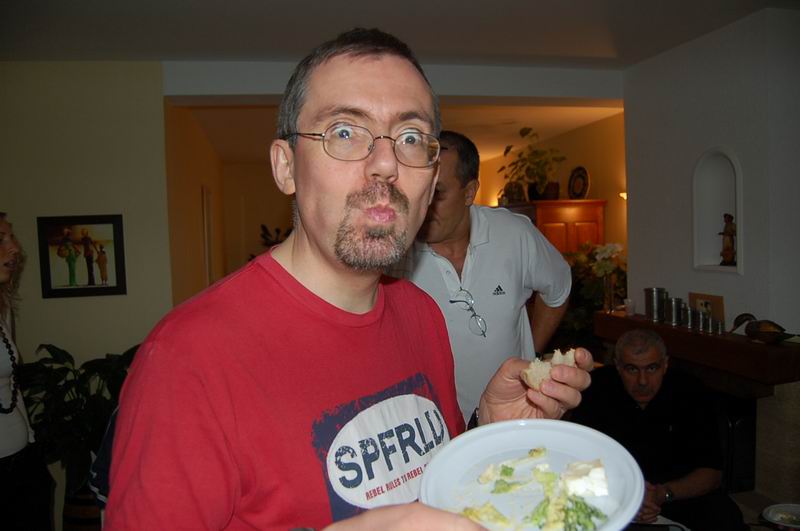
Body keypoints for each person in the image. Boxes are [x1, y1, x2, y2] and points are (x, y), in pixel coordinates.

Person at [105, 28, 593, 530]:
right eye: (344, 131)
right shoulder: (188, 358)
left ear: (430, 183)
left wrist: (488, 431)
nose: (385, 164)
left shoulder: (421, 313)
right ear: (286, 167)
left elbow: (432, 489)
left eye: (410, 138)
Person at [390, 130, 571, 422]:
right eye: (418, 189)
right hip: (432, 425)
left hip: (513, 416)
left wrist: (530, 355)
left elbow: (559, 289)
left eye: (437, 193)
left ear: (469, 192)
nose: (423, 204)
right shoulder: (393, 251)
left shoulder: (514, 234)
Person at [569, 329, 744, 530]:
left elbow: (711, 474)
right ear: (618, 366)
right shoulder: (595, 389)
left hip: (675, 493)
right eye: (632, 369)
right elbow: (577, 461)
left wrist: (663, 493)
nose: (643, 381)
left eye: (652, 368)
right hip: (613, 493)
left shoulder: (691, 392)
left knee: (727, 516)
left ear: (665, 364)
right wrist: (624, 497)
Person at [0, 212, 54, 530]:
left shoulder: (3, 307)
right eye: (1, 239)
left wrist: (30, 439)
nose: (14, 248)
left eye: (11, 237)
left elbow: (10, 385)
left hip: (21, 462)